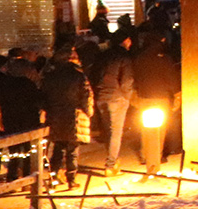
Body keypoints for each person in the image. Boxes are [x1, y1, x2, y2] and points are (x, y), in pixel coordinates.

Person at [41, 44, 93, 188]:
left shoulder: (50, 77)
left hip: (56, 115)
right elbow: (86, 96)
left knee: (58, 148)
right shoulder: (78, 75)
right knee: (72, 149)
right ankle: (71, 179)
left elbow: (43, 97)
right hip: (74, 115)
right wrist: (88, 112)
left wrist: (50, 110)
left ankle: (53, 178)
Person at [132, 36, 180, 171]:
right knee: (160, 128)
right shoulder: (164, 59)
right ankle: (156, 156)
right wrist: (177, 94)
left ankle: (145, 154)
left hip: (144, 97)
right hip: (161, 98)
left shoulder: (139, 58)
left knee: (145, 128)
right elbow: (171, 78)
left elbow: (134, 77)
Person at [94, 33, 136, 174]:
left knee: (108, 131)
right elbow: (127, 80)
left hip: (101, 96)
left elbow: (94, 74)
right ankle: (111, 165)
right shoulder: (124, 56)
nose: (130, 42)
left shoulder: (103, 55)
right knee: (116, 132)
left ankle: (112, 160)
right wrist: (127, 96)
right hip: (116, 97)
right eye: (129, 39)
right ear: (125, 40)